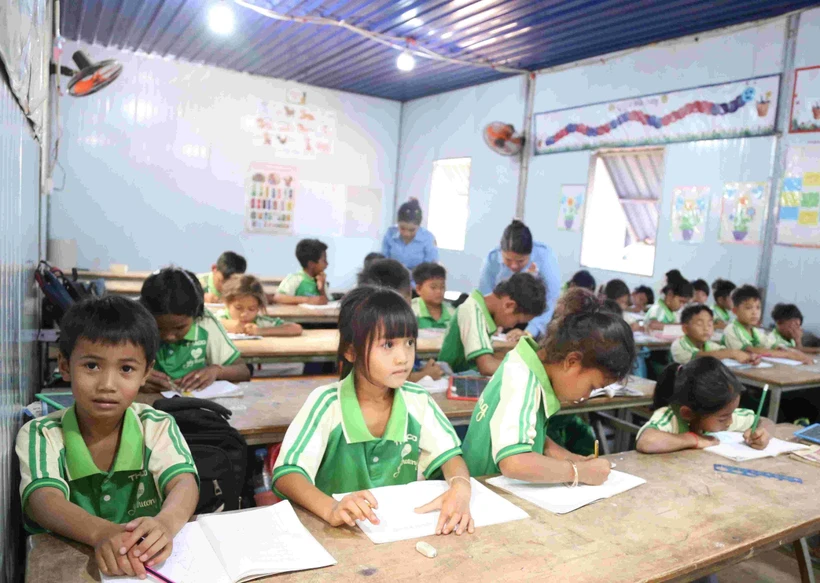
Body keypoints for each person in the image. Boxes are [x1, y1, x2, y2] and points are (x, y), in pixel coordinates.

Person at [16, 297, 199, 578]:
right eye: (91, 366)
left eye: (126, 369)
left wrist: (165, 523)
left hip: (143, 566)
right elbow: (43, 499)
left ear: (145, 373)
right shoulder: (42, 433)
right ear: (64, 366)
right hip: (64, 565)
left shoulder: (156, 425)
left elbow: (184, 482)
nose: (107, 385)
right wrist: (101, 532)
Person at [272, 287, 474, 536]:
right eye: (388, 344)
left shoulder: (418, 400)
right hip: (334, 534)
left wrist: (461, 487)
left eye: (409, 342)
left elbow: (450, 456)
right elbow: (287, 473)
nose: (403, 357)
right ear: (351, 351)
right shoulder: (327, 403)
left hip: (399, 531)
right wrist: (332, 508)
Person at [461, 289, 634, 482]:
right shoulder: (523, 382)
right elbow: (513, 462)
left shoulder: (527, 364)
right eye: (592, 386)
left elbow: (532, 434)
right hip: (486, 490)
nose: (586, 396)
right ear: (572, 362)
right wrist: (577, 472)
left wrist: (569, 458)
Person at [140, 268, 251, 392]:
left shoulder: (205, 323)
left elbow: (243, 370)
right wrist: (135, 377)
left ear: (196, 316)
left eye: (180, 328)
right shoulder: (136, 322)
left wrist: (216, 371)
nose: (169, 336)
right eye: (159, 328)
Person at [636, 358, 773, 454]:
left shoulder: (723, 415)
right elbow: (647, 441)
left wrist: (760, 433)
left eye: (731, 413)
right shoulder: (670, 417)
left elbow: (766, 421)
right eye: (723, 418)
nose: (730, 421)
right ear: (688, 414)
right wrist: (694, 439)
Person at [440, 273, 546, 376]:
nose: (512, 326)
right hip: (452, 378)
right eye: (517, 321)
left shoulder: (480, 311)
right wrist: (532, 366)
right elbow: (487, 367)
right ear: (509, 305)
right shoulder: (472, 311)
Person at [358, 258, 442, 381]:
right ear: (408, 296)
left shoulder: (364, 322)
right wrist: (425, 375)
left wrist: (423, 370)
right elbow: (383, 380)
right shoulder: (384, 331)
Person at [478, 220, 560, 339]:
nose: (514, 266)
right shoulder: (492, 259)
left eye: (520, 261)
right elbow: (485, 297)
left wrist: (529, 332)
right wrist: (492, 324)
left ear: (530, 254)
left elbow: (550, 301)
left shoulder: (545, 257)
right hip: (503, 315)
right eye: (508, 260)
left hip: (535, 319)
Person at [722, 285, 812, 364]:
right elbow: (751, 350)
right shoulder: (731, 330)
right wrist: (788, 354)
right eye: (748, 308)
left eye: (758, 308)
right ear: (735, 311)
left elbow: (774, 346)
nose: (755, 312)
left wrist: (794, 352)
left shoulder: (756, 332)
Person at [217, 274, 302, 337]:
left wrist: (261, 331)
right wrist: (224, 324)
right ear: (227, 303)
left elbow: (296, 328)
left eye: (251, 309)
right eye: (238, 308)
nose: (244, 314)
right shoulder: (219, 317)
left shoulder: (260, 322)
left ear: (258, 308)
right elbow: (205, 323)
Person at [670, 305, 758, 365]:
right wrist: (733, 353)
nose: (706, 328)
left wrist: (750, 357)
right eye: (700, 324)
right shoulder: (679, 345)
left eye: (710, 324)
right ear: (685, 329)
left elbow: (723, 352)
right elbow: (698, 357)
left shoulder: (710, 345)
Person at [380, 199, 439, 275]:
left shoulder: (428, 238)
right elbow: (383, 261)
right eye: (402, 228)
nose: (406, 234)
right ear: (397, 223)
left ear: (419, 226)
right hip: (393, 279)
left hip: (418, 281)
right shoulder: (390, 234)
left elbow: (430, 268)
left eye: (412, 230)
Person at [274, 239, 329, 305]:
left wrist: (322, 289)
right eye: (324, 260)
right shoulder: (295, 278)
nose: (327, 264)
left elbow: (326, 302)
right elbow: (278, 298)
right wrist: (307, 300)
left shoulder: (321, 280)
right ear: (311, 264)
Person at [412, 262, 454, 330]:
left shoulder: (453, 314)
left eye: (442, 287)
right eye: (433, 287)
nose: (439, 291)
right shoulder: (411, 312)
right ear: (418, 289)